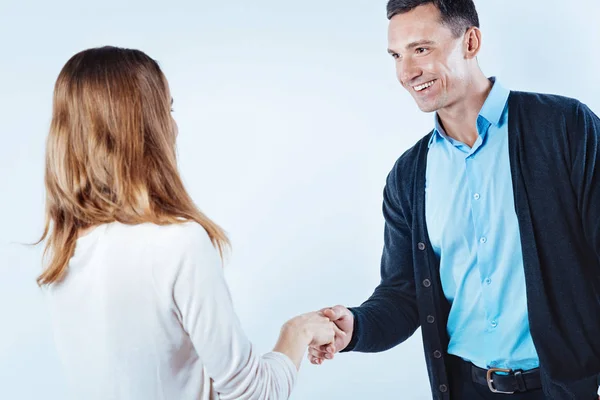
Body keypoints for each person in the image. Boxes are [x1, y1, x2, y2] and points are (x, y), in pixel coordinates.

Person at [308, 1, 600, 399]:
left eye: (422, 49)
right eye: (397, 55)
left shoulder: (565, 128)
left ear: (471, 41)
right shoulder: (408, 176)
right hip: (466, 388)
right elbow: (403, 293)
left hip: (565, 389)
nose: (407, 72)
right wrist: (355, 327)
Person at [38, 46, 342, 400]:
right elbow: (254, 394)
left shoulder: (62, 252)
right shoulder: (177, 243)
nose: (174, 127)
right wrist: (298, 330)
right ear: (144, 130)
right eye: (166, 109)